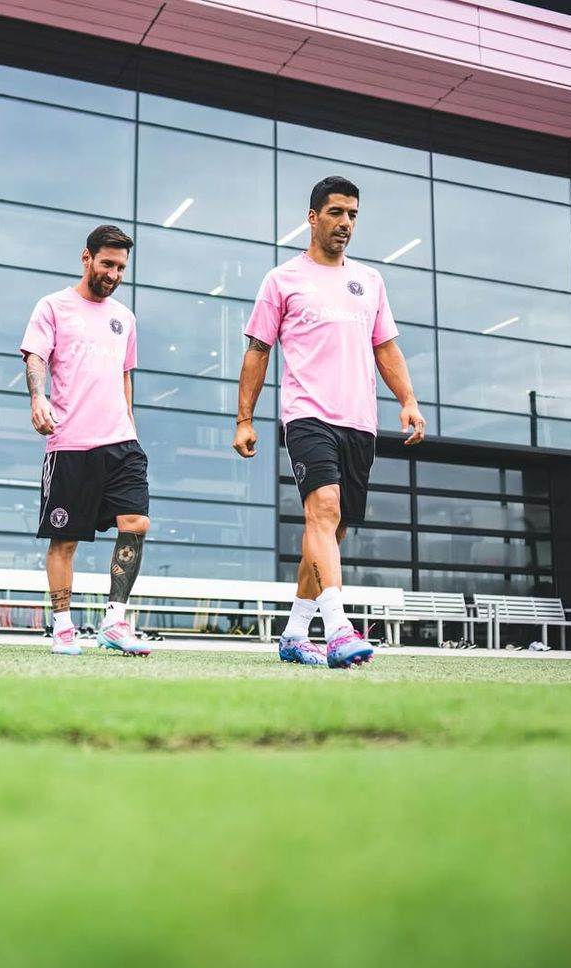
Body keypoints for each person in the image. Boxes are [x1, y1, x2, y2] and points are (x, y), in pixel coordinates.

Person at [233, 175, 425, 669]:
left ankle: (295, 633)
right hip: (307, 415)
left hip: (359, 421)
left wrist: (408, 399)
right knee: (323, 508)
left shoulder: (370, 281)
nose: (345, 223)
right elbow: (258, 351)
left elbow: (386, 348)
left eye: (352, 214)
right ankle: (339, 629)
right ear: (312, 217)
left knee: (331, 531)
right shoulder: (282, 280)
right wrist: (245, 419)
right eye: (336, 212)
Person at [21, 224, 151, 656]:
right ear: (86, 258)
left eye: (121, 268)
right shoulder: (53, 306)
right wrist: (38, 398)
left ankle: (114, 622)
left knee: (136, 523)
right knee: (66, 541)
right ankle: (62, 627)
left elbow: (125, 375)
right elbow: (36, 357)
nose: (114, 274)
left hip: (121, 442)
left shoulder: (124, 318)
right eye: (107, 264)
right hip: (70, 444)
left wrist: (131, 425)